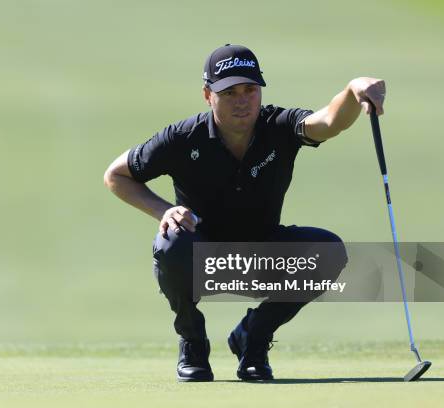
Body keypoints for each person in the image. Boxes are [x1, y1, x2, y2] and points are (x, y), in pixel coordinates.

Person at [103, 44, 386, 382]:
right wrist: (164, 210)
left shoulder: (279, 125)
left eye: (250, 89)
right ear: (208, 95)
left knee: (329, 250)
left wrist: (353, 90)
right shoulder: (181, 138)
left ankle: (253, 338)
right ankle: (192, 342)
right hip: (201, 261)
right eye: (229, 92)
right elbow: (116, 175)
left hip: (261, 256)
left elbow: (327, 122)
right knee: (170, 244)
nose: (242, 100)